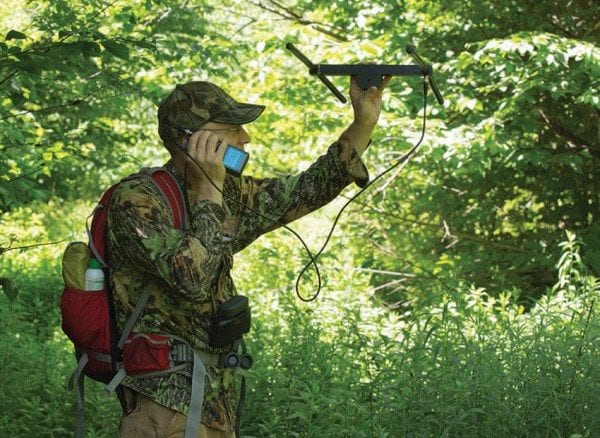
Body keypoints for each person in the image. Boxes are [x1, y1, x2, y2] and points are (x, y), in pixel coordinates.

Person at [106, 76, 390, 437]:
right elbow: (192, 279)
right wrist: (210, 187)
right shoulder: (138, 200)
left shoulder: (232, 191)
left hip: (214, 401)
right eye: (233, 128)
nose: (245, 139)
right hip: (166, 406)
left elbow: (308, 187)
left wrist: (363, 121)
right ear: (190, 138)